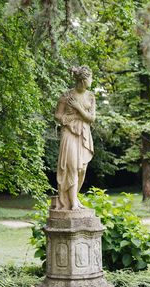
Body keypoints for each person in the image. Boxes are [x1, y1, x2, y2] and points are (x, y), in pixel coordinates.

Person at [54, 66, 96, 210]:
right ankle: (72, 203)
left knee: (82, 169)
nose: (92, 80)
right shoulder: (66, 96)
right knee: (72, 166)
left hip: (84, 133)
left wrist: (78, 108)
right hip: (69, 133)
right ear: (83, 80)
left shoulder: (90, 96)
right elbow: (58, 116)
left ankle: (74, 198)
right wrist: (70, 119)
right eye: (90, 78)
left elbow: (92, 118)